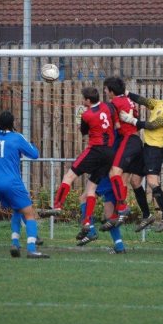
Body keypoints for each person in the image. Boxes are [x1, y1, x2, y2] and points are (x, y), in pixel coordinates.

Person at [119, 83, 163, 232]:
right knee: (135, 181)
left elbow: (153, 125)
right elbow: (143, 100)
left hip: (155, 149)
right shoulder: (160, 103)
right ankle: (147, 215)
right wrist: (124, 91)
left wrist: (132, 120)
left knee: (151, 181)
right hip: (146, 147)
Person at [50, 87, 115, 238]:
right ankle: (87, 222)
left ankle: (57, 206)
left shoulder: (86, 114)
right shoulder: (107, 106)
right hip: (109, 153)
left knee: (69, 176)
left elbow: (84, 132)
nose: (82, 101)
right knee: (91, 188)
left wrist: (80, 123)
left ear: (87, 100)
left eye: (84, 99)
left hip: (95, 150)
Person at [0, 111, 49, 259]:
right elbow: (34, 154)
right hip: (12, 182)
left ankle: (15, 242)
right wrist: (27, 143)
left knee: (17, 210)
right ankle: (32, 249)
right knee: (30, 214)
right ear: (13, 123)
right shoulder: (17, 137)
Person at [103, 76, 144, 225]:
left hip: (128, 140)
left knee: (114, 173)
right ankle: (120, 215)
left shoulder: (114, 103)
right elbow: (136, 119)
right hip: (136, 141)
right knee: (123, 180)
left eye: (106, 89)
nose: (105, 91)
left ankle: (122, 206)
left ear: (112, 91)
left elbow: (117, 126)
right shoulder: (128, 100)